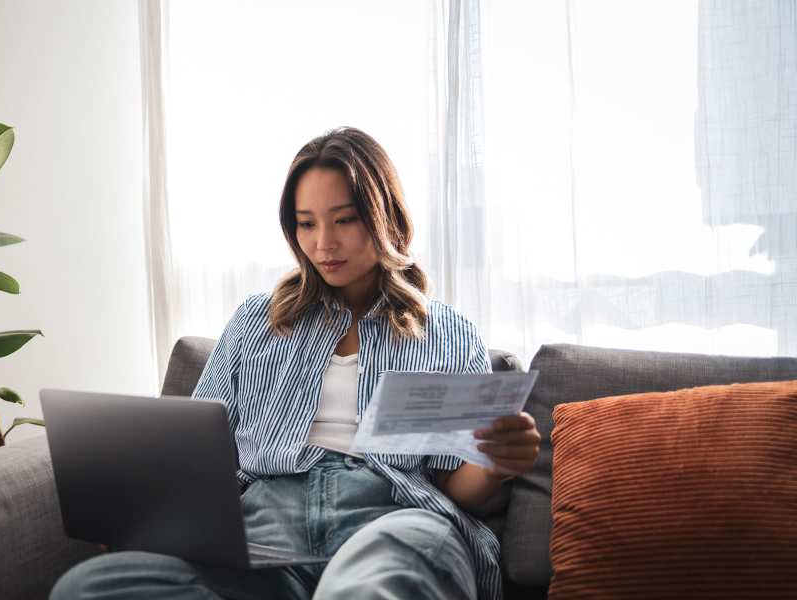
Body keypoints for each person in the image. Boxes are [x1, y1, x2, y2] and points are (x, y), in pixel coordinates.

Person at [50, 127, 541, 600]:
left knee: (371, 585)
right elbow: (200, 459)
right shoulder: (255, 321)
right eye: (307, 223)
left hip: (392, 522)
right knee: (91, 585)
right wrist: (147, 518)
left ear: (383, 215)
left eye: (344, 220)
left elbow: (456, 485)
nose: (323, 243)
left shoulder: (447, 333)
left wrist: (494, 465)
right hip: (266, 531)